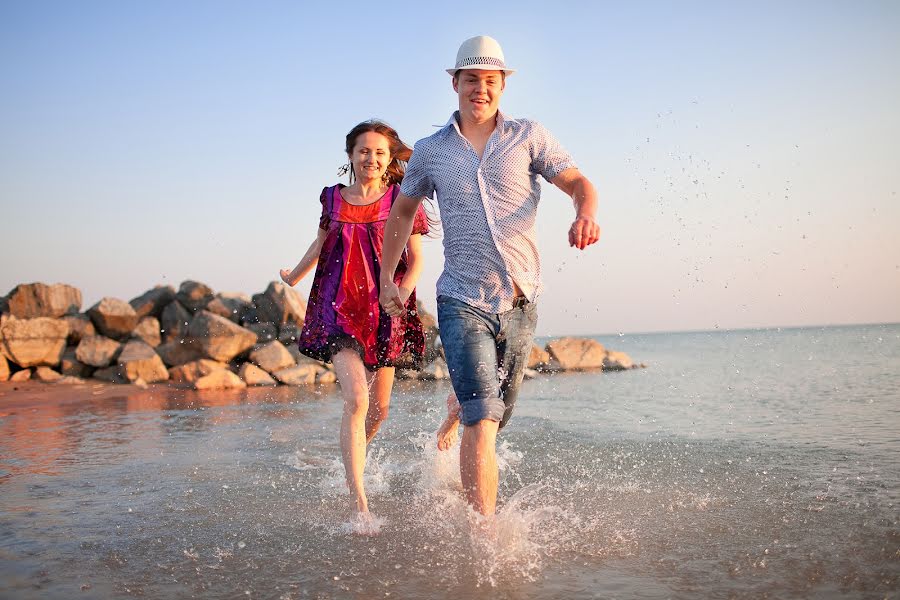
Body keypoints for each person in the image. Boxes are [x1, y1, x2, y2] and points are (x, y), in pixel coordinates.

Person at [379, 36, 601, 516]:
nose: (481, 89)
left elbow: (579, 182)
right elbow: (401, 214)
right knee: (484, 420)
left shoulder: (529, 135)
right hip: (461, 300)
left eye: (490, 81)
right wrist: (386, 277)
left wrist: (585, 212)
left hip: (520, 300)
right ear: (454, 82)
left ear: (502, 85)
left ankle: (457, 409)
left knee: (498, 418)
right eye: (472, 79)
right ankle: (483, 535)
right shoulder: (431, 151)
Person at [279, 120, 431, 522]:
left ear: (388, 159)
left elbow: (416, 261)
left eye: (380, 152)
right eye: (364, 151)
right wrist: (294, 276)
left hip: (385, 309)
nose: (371, 159)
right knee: (356, 400)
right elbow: (321, 242)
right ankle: (359, 501)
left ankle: (353, 458)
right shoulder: (332, 198)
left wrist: (402, 291)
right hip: (339, 307)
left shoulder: (400, 198)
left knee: (379, 409)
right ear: (350, 155)